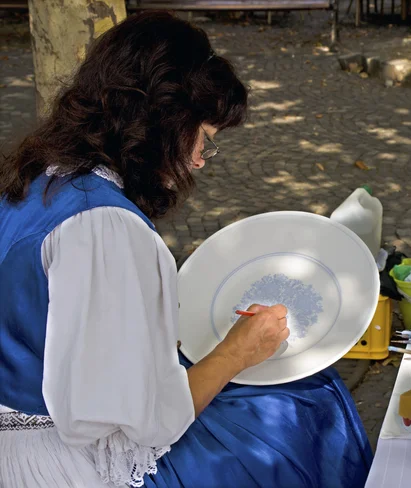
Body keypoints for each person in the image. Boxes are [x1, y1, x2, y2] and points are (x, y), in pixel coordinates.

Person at [0, 11, 372, 488]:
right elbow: (138, 427)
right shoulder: (104, 227)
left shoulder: (39, 179)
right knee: (303, 405)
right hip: (66, 466)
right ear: (162, 119)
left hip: (29, 429)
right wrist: (237, 352)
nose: (200, 159)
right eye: (204, 138)